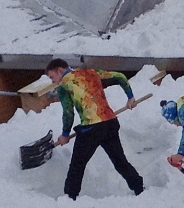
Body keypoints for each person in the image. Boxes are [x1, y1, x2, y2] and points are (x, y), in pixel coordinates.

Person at [45, 59, 144, 200]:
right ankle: (139, 188)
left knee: (77, 164)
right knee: (120, 161)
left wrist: (65, 134)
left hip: (91, 128)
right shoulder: (91, 73)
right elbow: (120, 77)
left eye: (52, 77)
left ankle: (69, 197)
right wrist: (130, 97)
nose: (53, 81)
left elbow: (68, 113)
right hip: (110, 123)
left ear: (59, 71)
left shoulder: (64, 86)